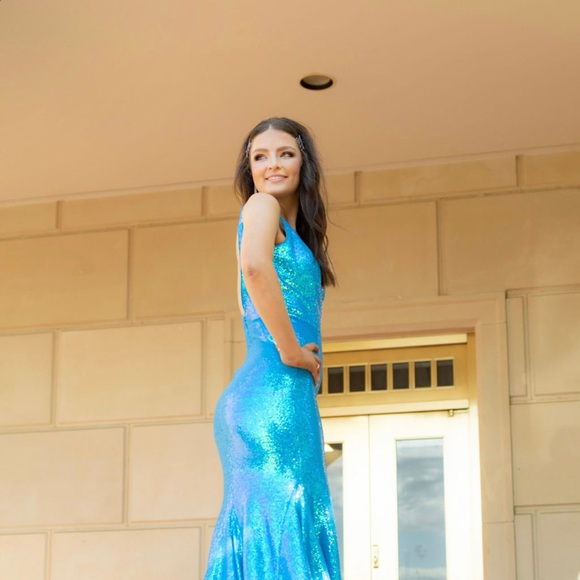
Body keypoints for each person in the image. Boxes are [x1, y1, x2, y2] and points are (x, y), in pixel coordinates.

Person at [205, 117, 341, 579]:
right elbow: (254, 269)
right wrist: (293, 352)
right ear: (250, 170)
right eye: (260, 157)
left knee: (289, 535)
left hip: (283, 399)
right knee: (283, 537)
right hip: (269, 398)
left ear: (304, 162)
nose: (273, 165)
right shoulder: (260, 205)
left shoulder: (294, 231)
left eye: (285, 153)